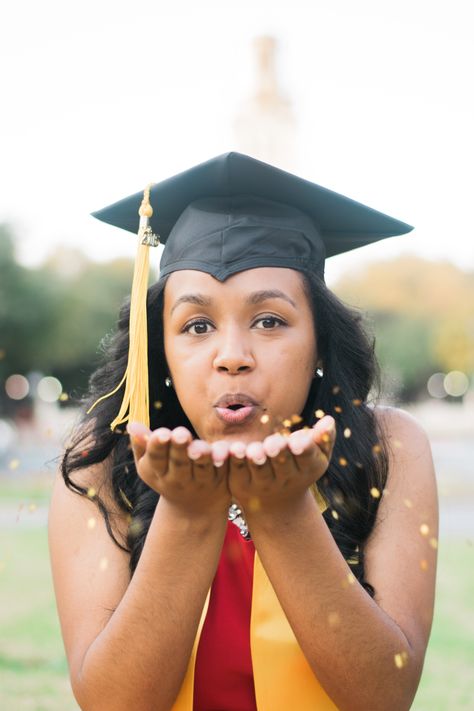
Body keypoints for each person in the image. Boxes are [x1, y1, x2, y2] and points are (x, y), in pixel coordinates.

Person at [48, 152, 438, 711]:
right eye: (196, 325)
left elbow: (383, 697)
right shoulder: (101, 464)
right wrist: (187, 510)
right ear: (159, 347)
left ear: (321, 340)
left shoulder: (388, 450)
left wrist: (281, 509)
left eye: (270, 320)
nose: (232, 357)